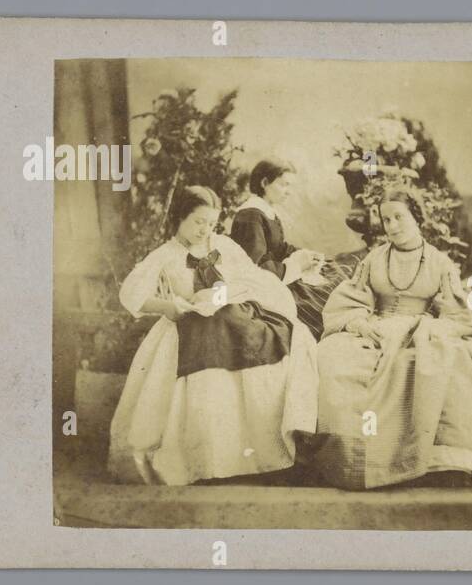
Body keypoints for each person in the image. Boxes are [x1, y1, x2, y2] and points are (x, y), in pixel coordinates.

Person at [107, 186, 319, 485]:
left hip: (234, 320)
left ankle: (264, 457)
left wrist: (229, 292)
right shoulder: (165, 255)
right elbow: (131, 293)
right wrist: (168, 306)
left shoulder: (224, 246)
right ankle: (206, 462)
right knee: (205, 347)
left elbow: (255, 279)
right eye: (198, 222)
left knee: (283, 338)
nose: (204, 229)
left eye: (210, 222)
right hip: (190, 324)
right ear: (179, 218)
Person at [311, 185, 472, 490]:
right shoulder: (374, 259)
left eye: (399, 217)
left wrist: (431, 327)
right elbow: (353, 299)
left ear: (418, 218)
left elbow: (457, 310)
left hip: (420, 332)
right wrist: (359, 322)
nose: (392, 226)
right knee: (331, 358)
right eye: (386, 220)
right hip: (376, 327)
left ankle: (441, 462)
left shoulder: (438, 262)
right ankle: (353, 459)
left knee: (443, 365)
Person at [229, 158, 344, 339]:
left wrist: (305, 255)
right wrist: (296, 267)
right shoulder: (250, 215)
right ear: (265, 183)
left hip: (278, 274)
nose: (288, 192)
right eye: (284, 185)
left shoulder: (267, 211)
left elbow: (279, 247)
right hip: (263, 284)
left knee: (334, 270)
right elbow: (254, 265)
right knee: (318, 299)